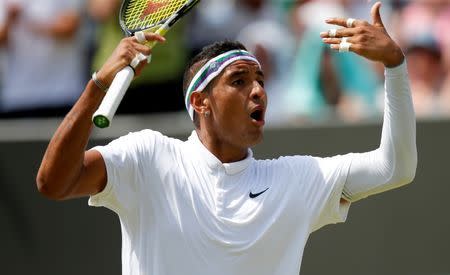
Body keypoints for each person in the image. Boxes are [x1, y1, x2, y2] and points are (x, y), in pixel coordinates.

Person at [36, 2, 416, 275]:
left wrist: (395, 66)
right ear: (200, 102)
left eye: (261, 82)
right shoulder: (146, 156)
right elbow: (54, 183)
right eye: (239, 81)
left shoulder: (297, 180)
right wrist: (98, 86)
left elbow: (394, 167)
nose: (258, 92)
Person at [0, 0, 87, 117]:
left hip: (61, 93)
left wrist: (28, 22)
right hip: (16, 97)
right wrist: (10, 20)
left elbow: (69, 27)